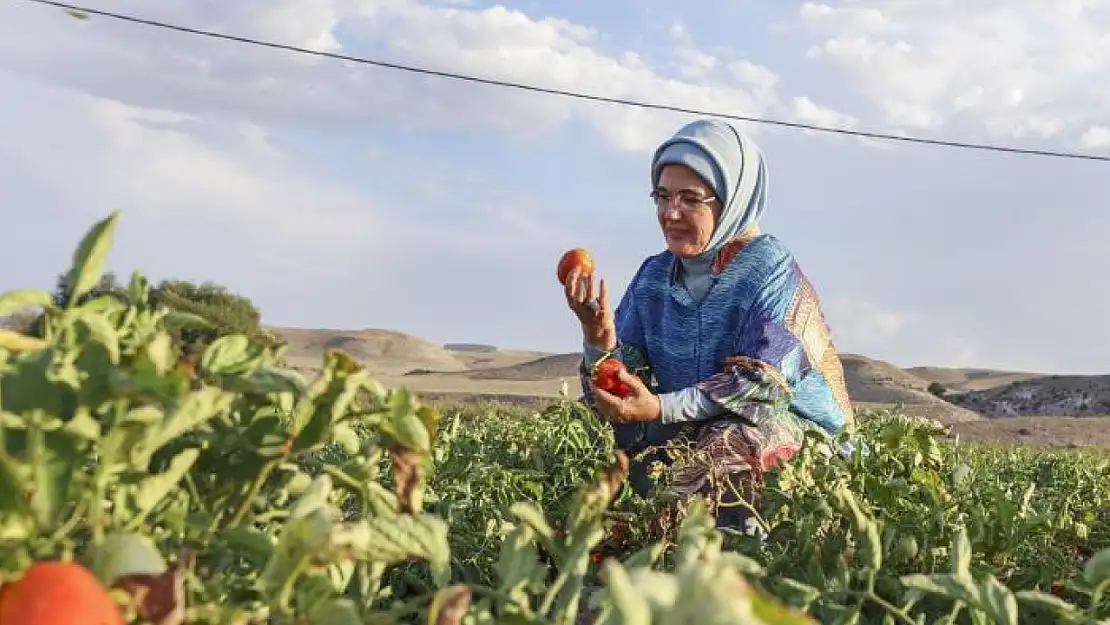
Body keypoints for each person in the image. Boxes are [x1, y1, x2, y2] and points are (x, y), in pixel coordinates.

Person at [564, 117, 855, 531]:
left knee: (731, 442)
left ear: (732, 199)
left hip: (793, 435)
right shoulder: (654, 276)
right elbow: (629, 388)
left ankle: (740, 559)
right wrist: (597, 341)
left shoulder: (768, 267)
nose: (671, 213)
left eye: (691, 198)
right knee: (614, 436)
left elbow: (762, 384)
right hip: (696, 424)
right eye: (662, 196)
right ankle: (638, 539)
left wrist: (660, 407)